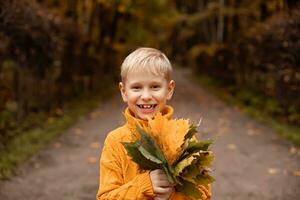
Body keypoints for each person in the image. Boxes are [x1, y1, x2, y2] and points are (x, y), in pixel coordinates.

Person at [96, 47, 211, 200]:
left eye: (155, 87)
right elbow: (105, 197)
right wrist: (145, 185)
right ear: (124, 92)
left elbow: (203, 195)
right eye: (136, 87)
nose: (146, 96)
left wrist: (172, 196)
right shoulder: (115, 141)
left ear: (169, 90)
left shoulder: (184, 139)